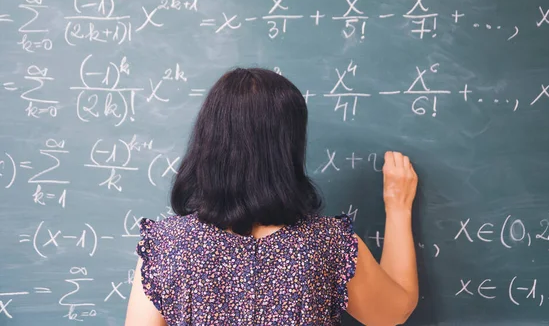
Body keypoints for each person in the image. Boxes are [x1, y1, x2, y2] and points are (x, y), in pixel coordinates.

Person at [124, 68, 419, 325]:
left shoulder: (166, 246)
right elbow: (393, 313)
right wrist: (398, 208)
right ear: (287, 148)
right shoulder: (328, 244)